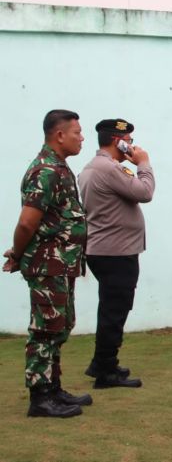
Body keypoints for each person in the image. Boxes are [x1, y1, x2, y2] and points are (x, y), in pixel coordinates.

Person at [3, 110, 92, 417]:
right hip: (47, 264)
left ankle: (53, 387)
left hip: (61, 264)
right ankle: (40, 397)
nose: (82, 138)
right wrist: (17, 254)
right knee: (45, 329)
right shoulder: (45, 171)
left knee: (59, 326)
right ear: (59, 135)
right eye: (77, 133)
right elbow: (27, 223)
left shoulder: (59, 167)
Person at [78, 118, 154, 389]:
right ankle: (105, 370)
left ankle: (104, 363)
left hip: (107, 250)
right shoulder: (108, 168)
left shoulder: (93, 167)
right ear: (117, 141)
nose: (132, 146)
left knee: (112, 308)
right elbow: (145, 192)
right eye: (129, 141)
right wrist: (143, 163)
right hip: (115, 252)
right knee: (114, 310)